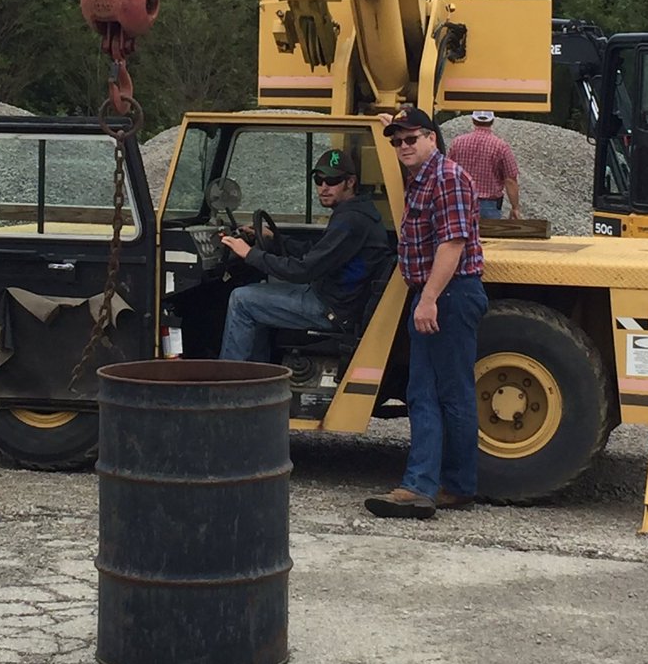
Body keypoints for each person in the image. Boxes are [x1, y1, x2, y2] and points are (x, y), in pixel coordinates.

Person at [365, 107, 488, 520]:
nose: (402, 146)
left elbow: (452, 243)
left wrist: (429, 298)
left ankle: (419, 486)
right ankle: (456, 485)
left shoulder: (446, 177)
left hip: (446, 295)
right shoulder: (423, 178)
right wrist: (392, 123)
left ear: (432, 137)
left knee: (428, 393)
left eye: (411, 138)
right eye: (397, 141)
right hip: (445, 294)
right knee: (450, 393)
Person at [218, 149, 395, 362]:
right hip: (334, 297)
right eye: (319, 180)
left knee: (242, 300)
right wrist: (274, 239)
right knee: (255, 296)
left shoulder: (351, 221)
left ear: (350, 182)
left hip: (331, 308)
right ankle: (257, 376)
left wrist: (249, 254)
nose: (324, 187)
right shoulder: (356, 212)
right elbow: (316, 252)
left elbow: (303, 270)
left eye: (332, 180)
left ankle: (228, 385)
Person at [447, 111, 521, 220]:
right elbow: (510, 180)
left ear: (473, 120)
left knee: (461, 236)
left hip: (461, 202)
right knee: (489, 236)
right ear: (492, 121)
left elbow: (448, 172)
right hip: (489, 206)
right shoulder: (501, 146)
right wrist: (515, 207)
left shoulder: (457, 143)